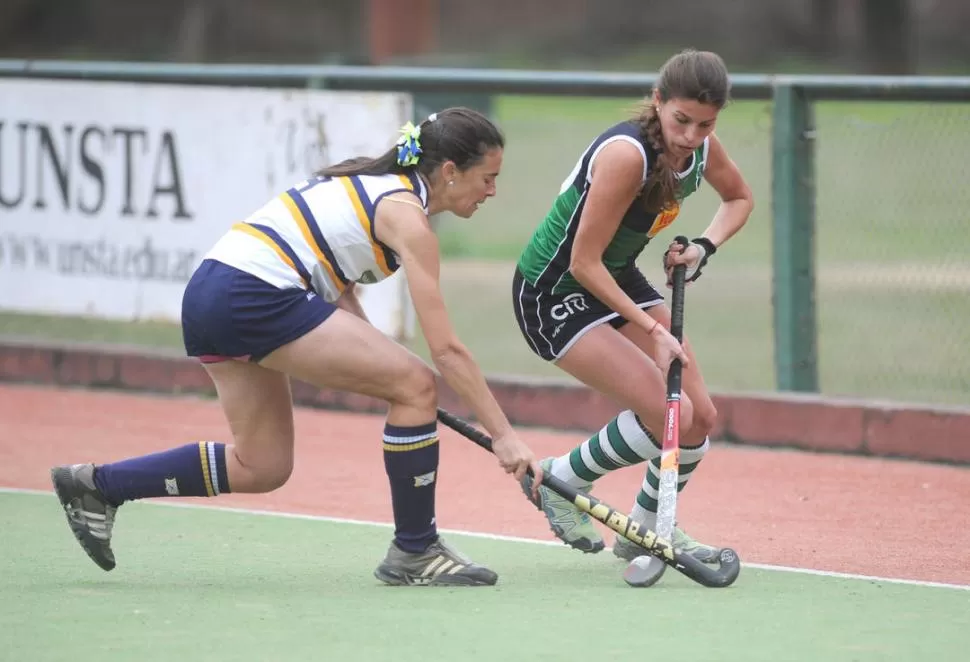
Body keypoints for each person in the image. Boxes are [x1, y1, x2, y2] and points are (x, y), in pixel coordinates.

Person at [50, 107, 543, 587]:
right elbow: (447, 352)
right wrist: (503, 435)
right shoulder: (406, 216)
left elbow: (337, 284)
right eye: (488, 177)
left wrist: (381, 364)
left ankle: (98, 485)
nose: (493, 191)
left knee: (263, 465)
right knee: (415, 383)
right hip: (252, 293)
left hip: (212, 293)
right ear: (452, 171)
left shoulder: (370, 186)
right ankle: (415, 549)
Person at [511, 49, 754, 562]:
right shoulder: (627, 155)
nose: (690, 136)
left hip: (614, 277)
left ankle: (644, 526)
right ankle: (560, 480)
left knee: (700, 417)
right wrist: (653, 329)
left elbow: (739, 199)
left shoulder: (703, 149)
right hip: (553, 291)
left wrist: (702, 247)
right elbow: (582, 262)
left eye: (705, 124)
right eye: (681, 120)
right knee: (671, 410)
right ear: (659, 100)